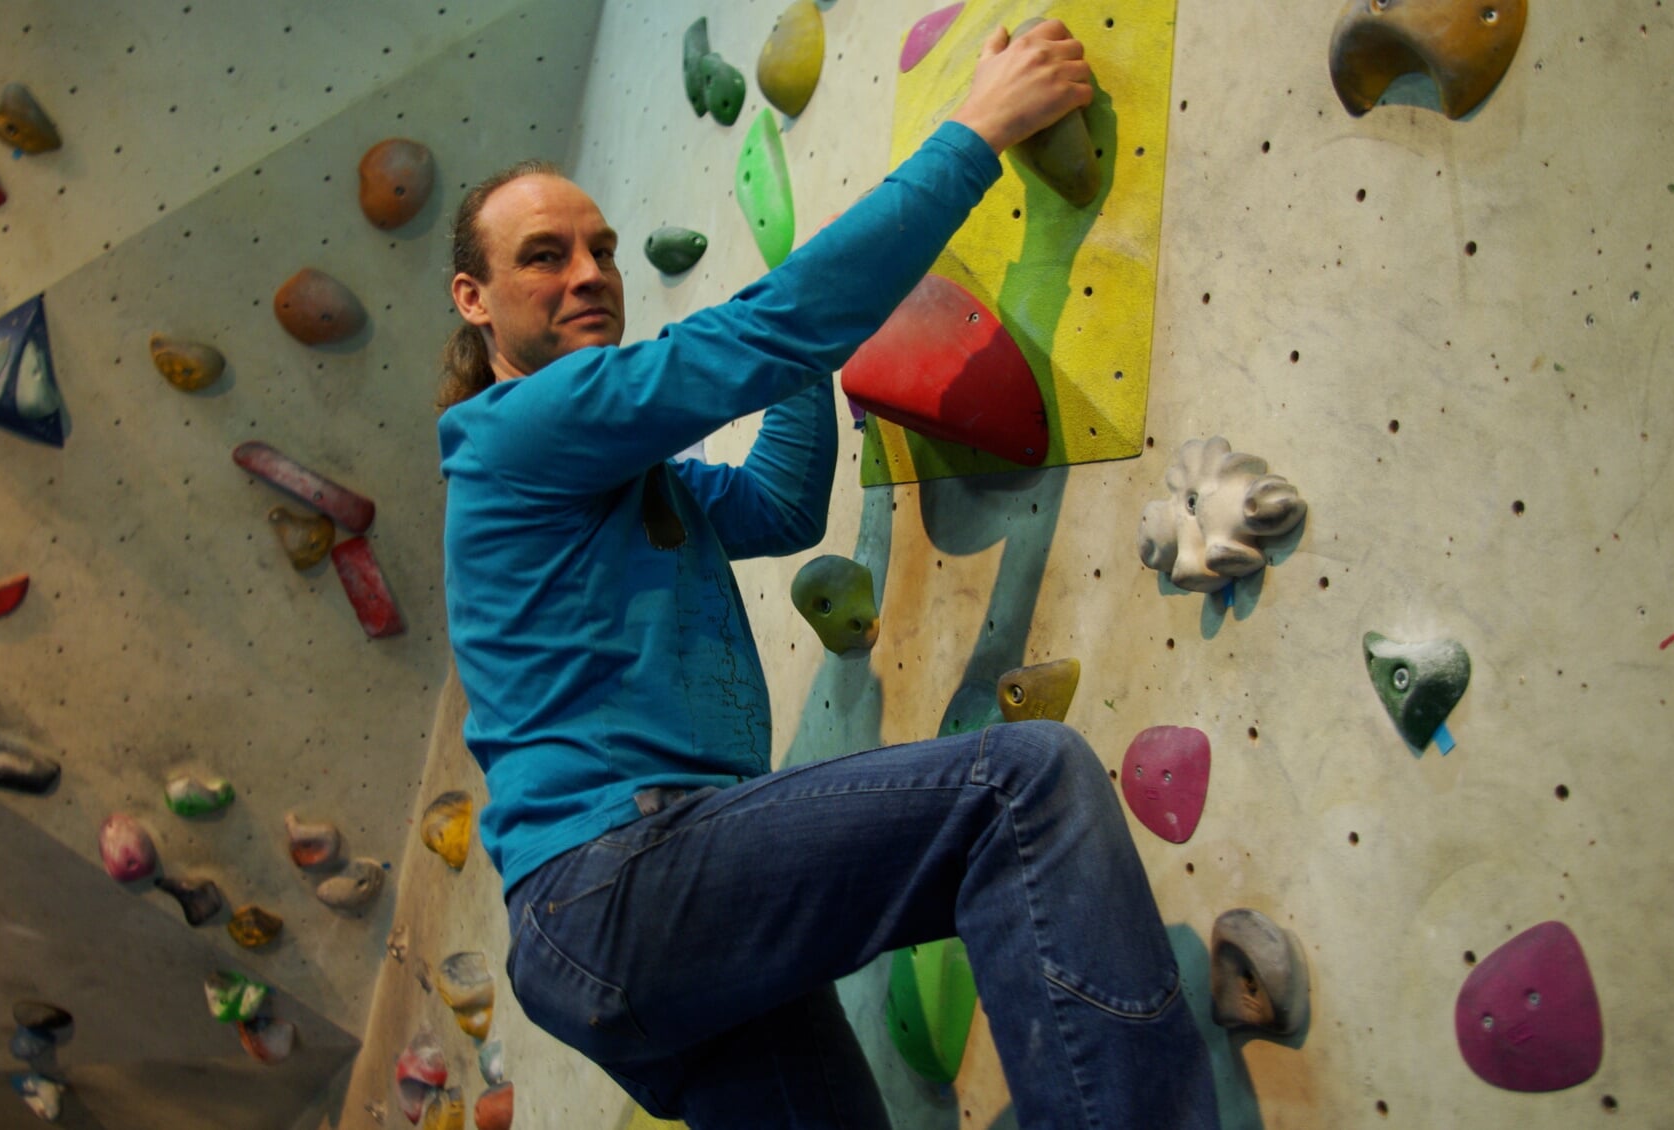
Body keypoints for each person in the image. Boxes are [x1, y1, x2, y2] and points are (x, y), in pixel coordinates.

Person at [437, 19, 1219, 1130]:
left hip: (614, 924)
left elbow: (776, 504)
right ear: (474, 301)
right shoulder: (515, 429)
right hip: (620, 882)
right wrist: (980, 126)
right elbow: (767, 333)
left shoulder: (610, 479)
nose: (592, 275)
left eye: (601, 247)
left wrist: (800, 346)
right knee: (1021, 787)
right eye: (545, 255)